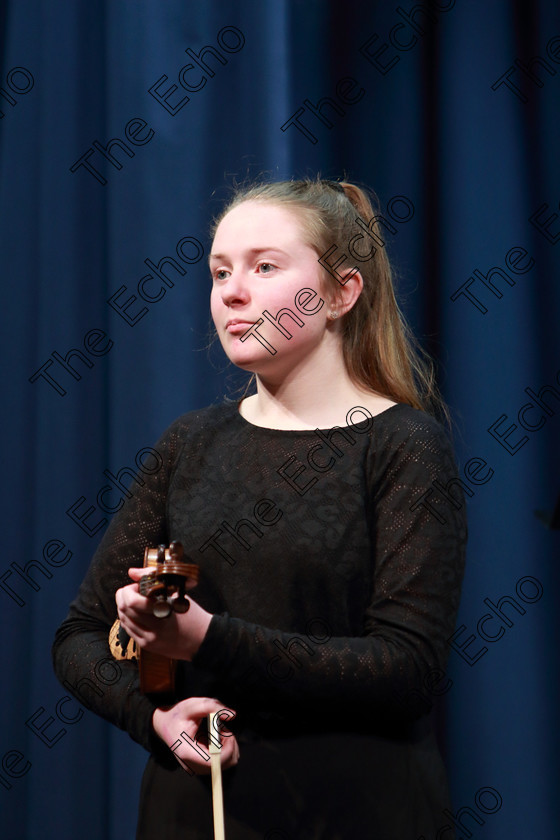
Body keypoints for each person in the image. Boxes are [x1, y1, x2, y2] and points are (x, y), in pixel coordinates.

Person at [52, 178, 467, 840]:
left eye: (264, 266)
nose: (231, 292)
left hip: (356, 816)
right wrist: (153, 718)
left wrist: (210, 639)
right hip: (196, 812)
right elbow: (78, 636)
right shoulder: (190, 443)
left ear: (340, 293)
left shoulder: (403, 445)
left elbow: (408, 668)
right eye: (219, 272)